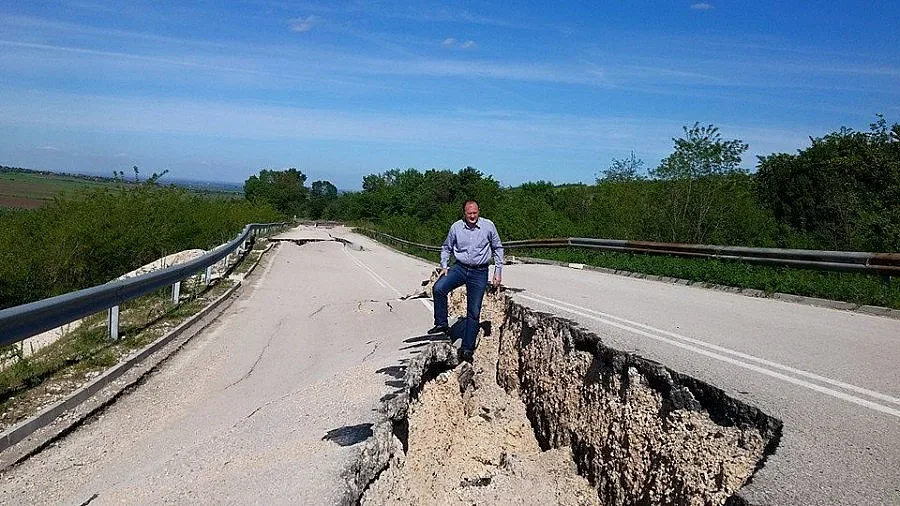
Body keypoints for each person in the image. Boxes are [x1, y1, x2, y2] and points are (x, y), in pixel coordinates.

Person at [428, 200, 504, 363]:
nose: (472, 216)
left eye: (475, 212)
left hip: (479, 271)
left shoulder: (488, 226)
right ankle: (441, 324)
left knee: (474, 311)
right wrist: (444, 266)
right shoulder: (456, 227)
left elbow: (498, 248)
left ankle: (467, 348)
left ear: (479, 211)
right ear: (464, 213)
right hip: (460, 267)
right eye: (469, 213)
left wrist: (498, 272)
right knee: (439, 288)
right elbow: (446, 247)